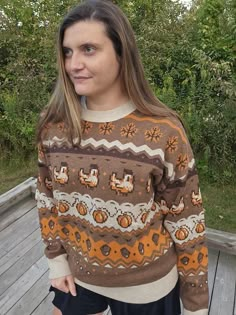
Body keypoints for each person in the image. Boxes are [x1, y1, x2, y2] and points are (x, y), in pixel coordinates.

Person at [35, 1, 209, 314]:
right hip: (78, 277)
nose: (73, 63)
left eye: (88, 49)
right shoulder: (54, 126)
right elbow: (47, 197)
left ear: (121, 52)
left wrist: (196, 303)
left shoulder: (163, 130)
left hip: (148, 289)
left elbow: (187, 220)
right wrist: (56, 261)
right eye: (67, 51)